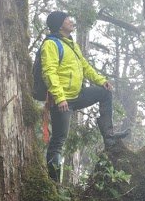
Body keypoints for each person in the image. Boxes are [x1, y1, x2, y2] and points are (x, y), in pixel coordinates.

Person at [41, 10, 130, 182]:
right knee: (58, 141)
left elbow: (85, 67)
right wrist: (59, 98)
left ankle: (109, 138)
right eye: (67, 19)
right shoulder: (51, 44)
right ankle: (53, 184)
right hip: (62, 101)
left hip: (77, 95)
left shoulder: (71, 44)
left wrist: (101, 80)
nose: (71, 21)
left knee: (105, 93)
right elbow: (49, 73)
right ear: (60, 24)